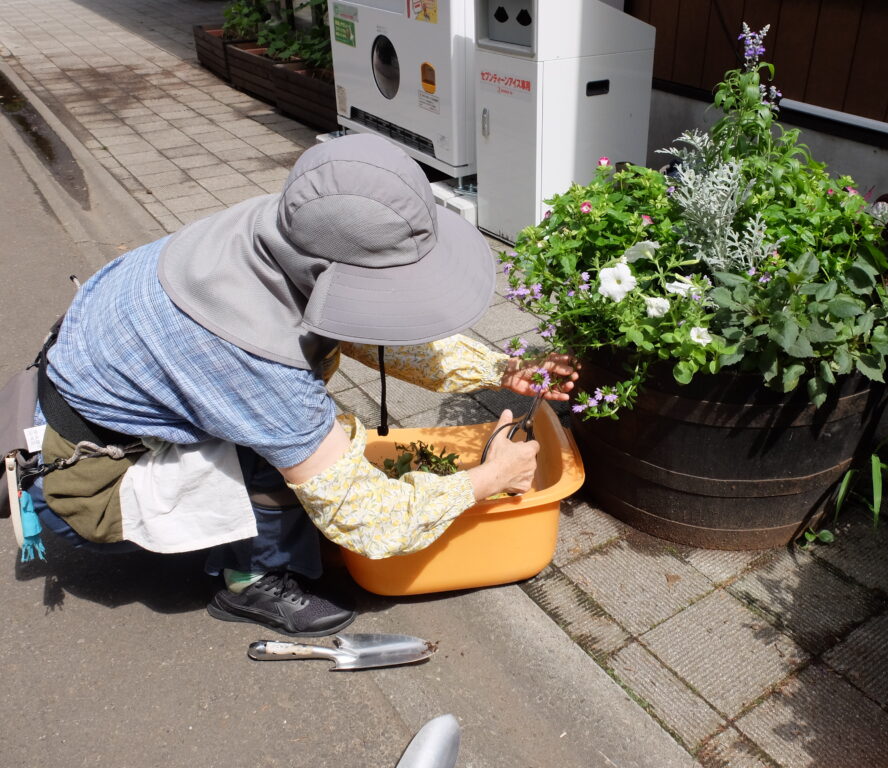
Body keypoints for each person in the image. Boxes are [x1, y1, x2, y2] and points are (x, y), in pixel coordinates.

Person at [24, 134, 576, 637]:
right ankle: (248, 584)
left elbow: (363, 319)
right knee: (300, 448)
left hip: (108, 391)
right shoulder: (254, 357)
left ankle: (266, 526)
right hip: (90, 479)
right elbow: (368, 522)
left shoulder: (284, 226)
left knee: (305, 439)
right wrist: (488, 477)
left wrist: (499, 369)